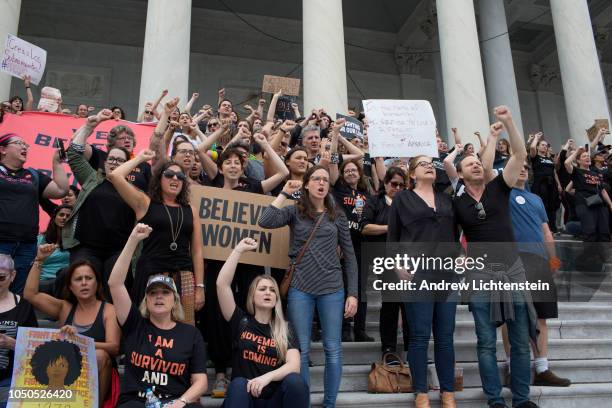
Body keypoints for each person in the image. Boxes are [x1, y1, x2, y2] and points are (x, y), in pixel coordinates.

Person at [454, 106, 539, 408]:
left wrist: (509, 122)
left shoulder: (499, 187)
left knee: (518, 341)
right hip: (479, 275)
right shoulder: (457, 203)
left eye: (478, 161)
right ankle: (494, 400)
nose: (476, 165)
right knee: (486, 343)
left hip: (512, 270)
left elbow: (518, 154)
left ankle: (522, 399)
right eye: (469, 164)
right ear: (461, 175)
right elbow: (451, 238)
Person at [259, 166, 358, 407]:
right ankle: (300, 402)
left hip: (333, 288)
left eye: (325, 179)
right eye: (316, 179)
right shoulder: (295, 212)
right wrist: (283, 192)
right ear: (306, 184)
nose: (321, 183)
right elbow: (265, 221)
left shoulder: (338, 215)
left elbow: (350, 256)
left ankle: (329, 403)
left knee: (332, 349)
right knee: (300, 351)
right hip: (301, 288)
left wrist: (353, 293)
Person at [387, 156, 459, 408]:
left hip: (447, 273)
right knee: (419, 336)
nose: (429, 166)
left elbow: (456, 234)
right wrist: (396, 264)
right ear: (412, 174)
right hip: (417, 274)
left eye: (431, 164)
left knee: (445, 336)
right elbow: (393, 236)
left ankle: (448, 392)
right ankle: (421, 392)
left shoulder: (446, 199)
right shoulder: (402, 199)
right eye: (423, 164)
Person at [109, 223, 207, 408]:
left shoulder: (190, 334)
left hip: (176, 401)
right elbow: (115, 283)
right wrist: (133, 240)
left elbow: (201, 381)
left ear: (175, 300)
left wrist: (181, 402)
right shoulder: (134, 324)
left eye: (165, 292)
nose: (159, 296)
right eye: (153, 293)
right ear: (146, 300)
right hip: (137, 402)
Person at [107, 149, 204, 324]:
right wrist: (140, 158)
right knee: (148, 326)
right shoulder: (145, 203)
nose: (175, 179)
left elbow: (197, 251)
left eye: (180, 176)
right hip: (151, 274)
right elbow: (115, 176)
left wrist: (200, 287)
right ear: (159, 179)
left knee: (183, 327)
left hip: (184, 276)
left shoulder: (191, 210)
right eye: (169, 174)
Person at [501, 162, 571, 387]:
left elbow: (546, 232)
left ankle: (542, 368)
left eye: (524, 166)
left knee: (541, 315)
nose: (522, 169)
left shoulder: (536, 199)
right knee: (509, 314)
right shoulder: (501, 193)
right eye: (516, 165)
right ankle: (513, 368)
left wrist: (554, 261)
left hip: (540, 262)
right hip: (512, 260)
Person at [217, 238, 308, 408]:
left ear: (276, 298)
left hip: (272, 400)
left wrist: (266, 377)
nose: (268, 292)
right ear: (252, 296)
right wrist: (238, 250)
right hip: (245, 398)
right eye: (262, 289)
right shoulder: (241, 321)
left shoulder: (285, 328)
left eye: (272, 290)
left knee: (296, 382)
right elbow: (222, 285)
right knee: (237, 384)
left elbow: (294, 365)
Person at [24, 244, 120, 403]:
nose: (84, 283)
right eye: (78, 279)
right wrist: (39, 260)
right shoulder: (64, 308)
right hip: (66, 371)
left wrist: (78, 341)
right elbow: (30, 294)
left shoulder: (109, 310)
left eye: (89, 278)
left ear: (96, 283)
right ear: (70, 286)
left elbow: (114, 347)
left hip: (98, 377)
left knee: (100, 355)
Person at [64, 111, 136, 297]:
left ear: (128, 166)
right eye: (111, 159)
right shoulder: (91, 178)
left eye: (120, 160)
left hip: (118, 251)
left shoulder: (134, 190)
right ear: (104, 163)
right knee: (82, 285)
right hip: (87, 247)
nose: (114, 162)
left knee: (115, 289)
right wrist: (89, 125)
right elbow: (73, 153)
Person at [0, 132, 69, 294]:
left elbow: (61, 190)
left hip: (26, 245)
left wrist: (56, 163)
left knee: (18, 291)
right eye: (19, 143)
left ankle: (14, 320)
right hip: (1, 241)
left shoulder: (33, 175)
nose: (24, 146)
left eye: (26, 145)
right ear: (3, 149)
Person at [361, 167, 409, 358]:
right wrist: (390, 228)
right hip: (385, 258)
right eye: (394, 184)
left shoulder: (409, 203)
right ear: (385, 183)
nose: (397, 188)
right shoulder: (375, 201)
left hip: (407, 257)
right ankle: (388, 347)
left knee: (409, 305)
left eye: (401, 185)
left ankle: (412, 346)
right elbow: (365, 227)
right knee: (390, 302)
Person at [331, 159, 373, 342]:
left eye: (353, 170)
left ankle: (360, 329)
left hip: (363, 244)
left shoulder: (366, 193)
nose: (350, 173)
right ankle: (345, 328)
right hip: (344, 244)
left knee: (361, 289)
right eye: (346, 170)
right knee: (345, 287)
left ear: (359, 173)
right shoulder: (338, 190)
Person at [0, 254, 38, 408]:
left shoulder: (23, 306)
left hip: (11, 379)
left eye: (1, 277)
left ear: (12, 275)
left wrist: (14, 344)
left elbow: (36, 348)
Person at [529, 133, 561, 232]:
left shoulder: (549, 159)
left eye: (546, 145)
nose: (544, 146)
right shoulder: (535, 157)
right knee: (543, 205)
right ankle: (544, 228)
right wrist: (536, 138)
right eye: (542, 144)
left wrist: (558, 184)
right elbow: (532, 147)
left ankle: (553, 227)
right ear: (538, 147)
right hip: (540, 184)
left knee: (552, 205)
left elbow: (554, 172)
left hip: (551, 184)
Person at [37, 205, 72, 295]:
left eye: (68, 216)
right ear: (54, 217)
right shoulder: (41, 239)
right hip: (43, 282)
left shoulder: (75, 241)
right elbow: (33, 263)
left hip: (65, 282)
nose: (64, 217)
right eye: (61, 215)